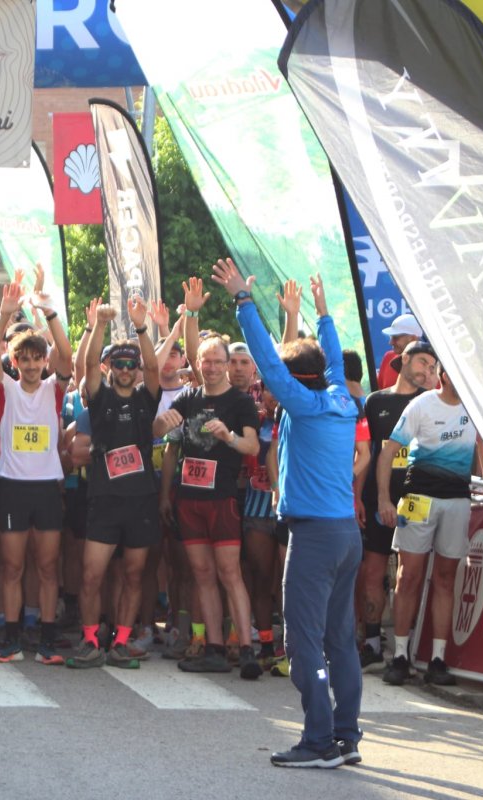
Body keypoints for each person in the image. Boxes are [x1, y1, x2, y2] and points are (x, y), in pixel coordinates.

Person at [213, 258, 362, 769]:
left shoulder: (302, 404)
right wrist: (321, 313)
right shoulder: (342, 399)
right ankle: (347, 736)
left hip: (315, 538)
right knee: (341, 640)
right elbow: (334, 364)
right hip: (346, 535)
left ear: (293, 380)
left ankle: (318, 740)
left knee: (303, 643)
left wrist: (243, 301)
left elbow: (267, 363)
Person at [153, 278, 261, 679]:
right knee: (201, 574)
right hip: (189, 500)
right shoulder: (188, 397)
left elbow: (251, 447)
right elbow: (158, 434)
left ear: (227, 364)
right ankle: (215, 646)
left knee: (230, 572)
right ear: (197, 365)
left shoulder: (239, 401)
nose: (213, 366)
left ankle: (246, 648)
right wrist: (159, 423)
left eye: (219, 361)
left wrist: (228, 436)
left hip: (222, 500)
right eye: (207, 361)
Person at [0, 272, 74, 664]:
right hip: (12, 488)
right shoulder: (5, 389)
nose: (34, 365)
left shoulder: (55, 389)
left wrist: (49, 312)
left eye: (39, 358)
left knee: (49, 566)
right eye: (26, 359)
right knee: (12, 566)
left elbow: (67, 358)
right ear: (16, 361)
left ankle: (48, 638)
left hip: (46, 488)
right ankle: (12, 636)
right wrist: (4, 315)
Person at [66, 296, 161, 669]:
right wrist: (100, 324)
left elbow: (154, 367)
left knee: (134, 574)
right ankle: (90, 639)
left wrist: (141, 327)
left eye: (130, 364)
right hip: (104, 500)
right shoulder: (99, 398)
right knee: (92, 574)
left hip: (140, 502)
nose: (125, 368)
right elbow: (88, 364)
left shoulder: (144, 399)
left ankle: (122, 640)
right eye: (118, 363)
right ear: (110, 367)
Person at [377, 363, 474, 688]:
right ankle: (401, 656)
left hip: (456, 500)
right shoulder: (421, 404)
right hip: (418, 499)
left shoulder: (476, 408)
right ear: (444, 374)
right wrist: (384, 500)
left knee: (446, 579)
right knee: (409, 576)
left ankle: (437, 659)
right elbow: (389, 451)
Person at [357, 340, 437, 671]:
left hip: (420, 501)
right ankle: (373, 642)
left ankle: (410, 645)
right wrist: (359, 497)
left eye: (433, 366)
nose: (426, 370)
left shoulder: (435, 403)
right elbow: (366, 454)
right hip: (378, 501)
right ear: (403, 361)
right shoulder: (376, 402)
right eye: (421, 362)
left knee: (410, 576)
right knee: (372, 572)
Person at [376, 314, 422, 390]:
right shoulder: (388, 357)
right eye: (391, 337)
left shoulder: (431, 363)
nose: (390, 342)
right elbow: (378, 392)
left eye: (395, 337)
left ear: (413, 338)